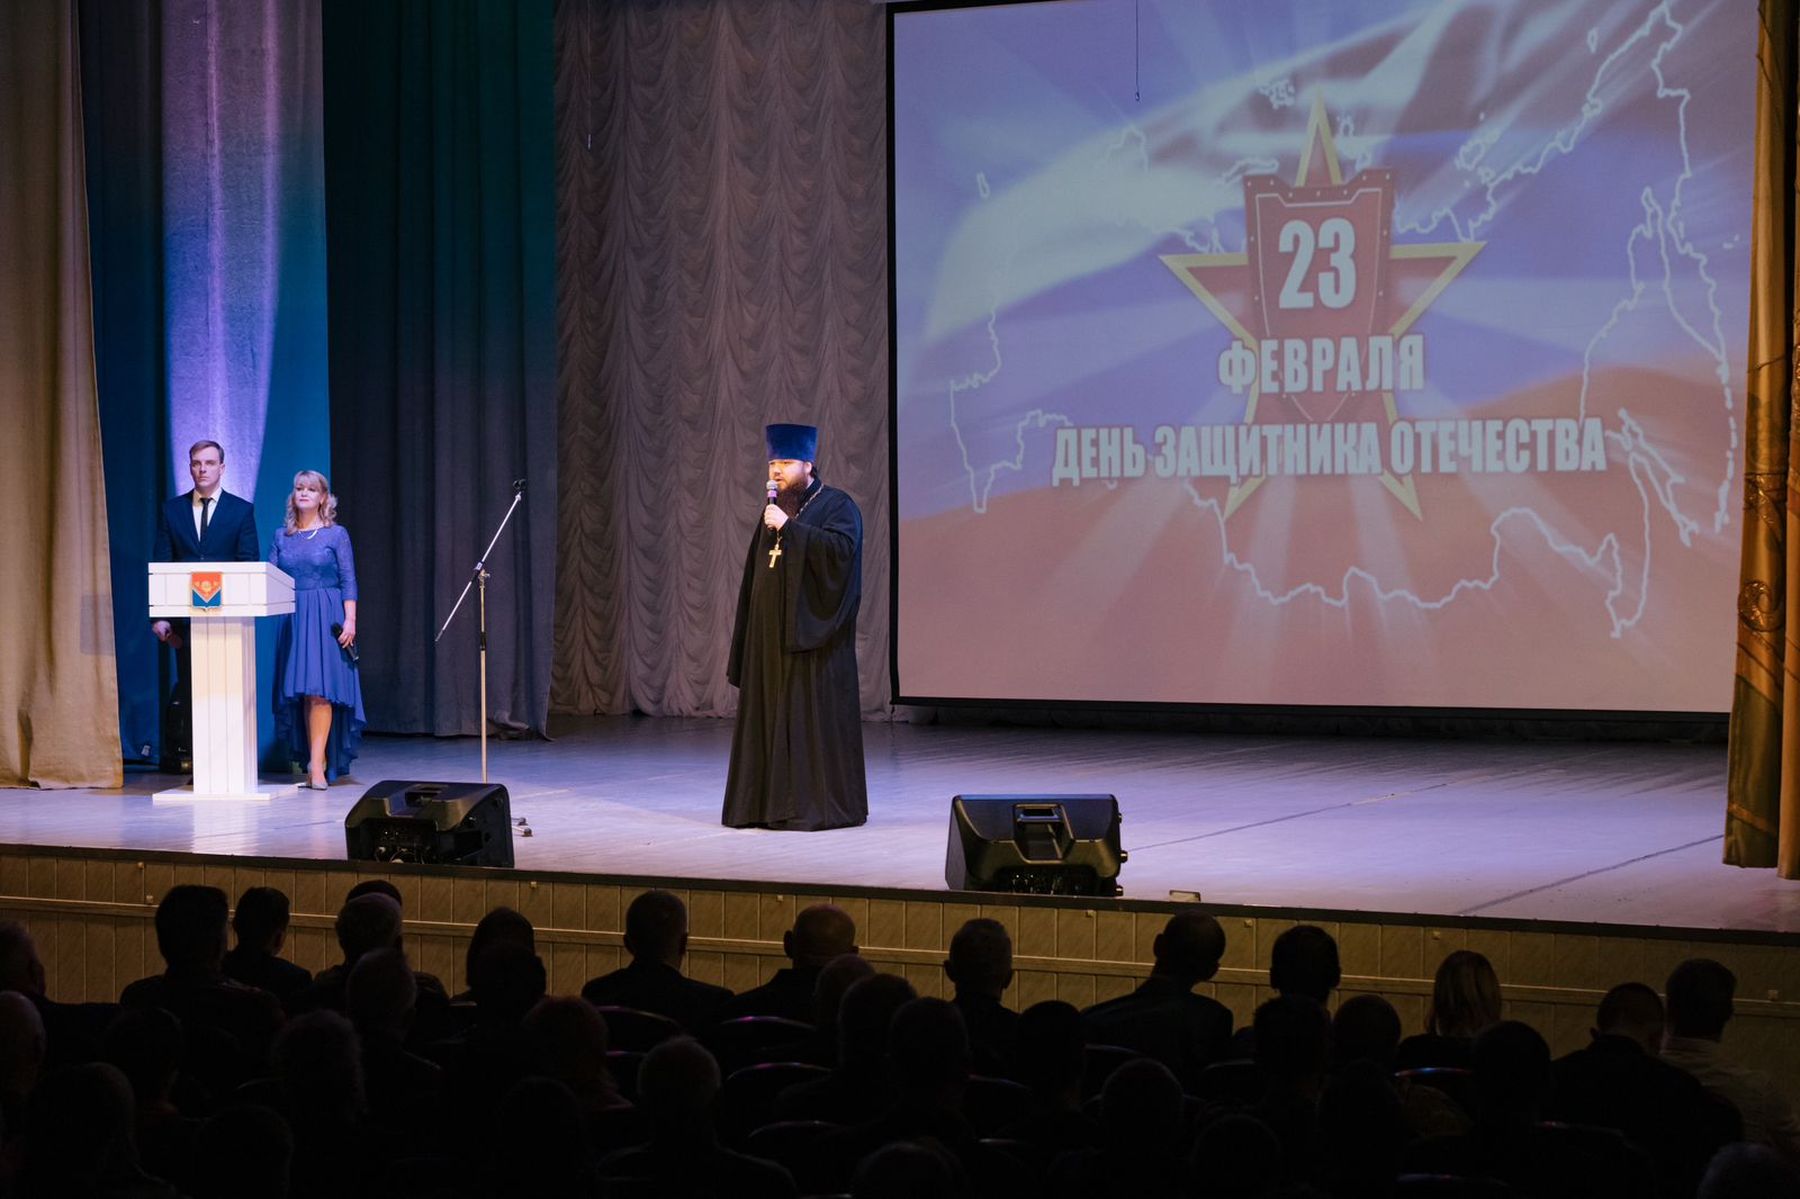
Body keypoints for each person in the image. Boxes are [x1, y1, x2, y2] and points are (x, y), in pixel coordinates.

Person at [722, 422, 868, 831]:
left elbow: (841, 554)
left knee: (806, 726)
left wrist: (792, 530)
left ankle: (808, 807)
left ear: (808, 464)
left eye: (785, 463)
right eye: (773, 463)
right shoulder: (773, 512)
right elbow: (755, 575)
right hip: (769, 641)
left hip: (812, 645)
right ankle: (760, 806)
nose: (777, 471)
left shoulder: (837, 506)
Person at [150, 439, 260, 770]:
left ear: (222, 468)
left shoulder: (241, 510)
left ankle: (230, 765)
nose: (202, 469)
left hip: (228, 624)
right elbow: (163, 563)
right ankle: (202, 768)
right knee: (193, 692)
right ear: (190, 468)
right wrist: (160, 616)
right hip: (187, 624)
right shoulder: (173, 510)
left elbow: (248, 563)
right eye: (197, 463)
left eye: (210, 463)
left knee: (227, 694)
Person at [268, 469, 365, 788]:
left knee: (321, 692)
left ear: (323, 498)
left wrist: (350, 619)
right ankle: (314, 759)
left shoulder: (336, 535)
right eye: (299, 488)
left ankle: (317, 764)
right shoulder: (281, 536)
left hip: (326, 615)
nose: (304, 493)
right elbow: (270, 577)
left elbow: (348, 579)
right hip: (294, 618)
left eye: (311, 489)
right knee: (305, 692)